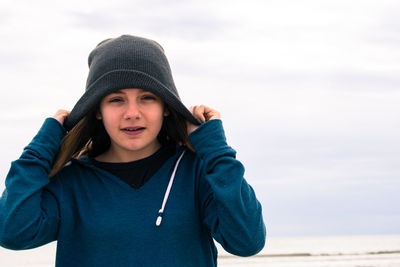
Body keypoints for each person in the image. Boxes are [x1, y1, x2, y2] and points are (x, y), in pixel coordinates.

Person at [0, 35, 266, 266]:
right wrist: (44, 143)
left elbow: (247, 241)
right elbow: (12, 232)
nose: (132, 113)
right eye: (116, 99)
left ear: (166, 106)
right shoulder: (71, 182)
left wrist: (214, 147)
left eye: (147, 97)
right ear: (98, 111)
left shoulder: (198, 172)